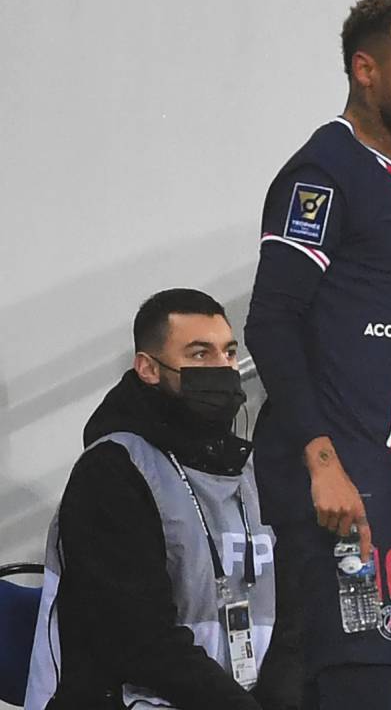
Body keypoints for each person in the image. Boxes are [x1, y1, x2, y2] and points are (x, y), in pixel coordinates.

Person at [244, 0, 391, 709]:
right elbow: (272, 322)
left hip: (388, 475)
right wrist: (322, 463)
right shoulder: (322, 175)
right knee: (334, 685)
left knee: (372, 680)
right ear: (366, 71)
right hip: (332, 490)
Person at [25, 288, 285, 709]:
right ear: (147, 367)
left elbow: (287, 608)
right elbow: (136, 636)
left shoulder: (249, 467)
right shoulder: (112, 470)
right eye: (199, 354)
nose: (221, 368)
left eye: (229, 352)